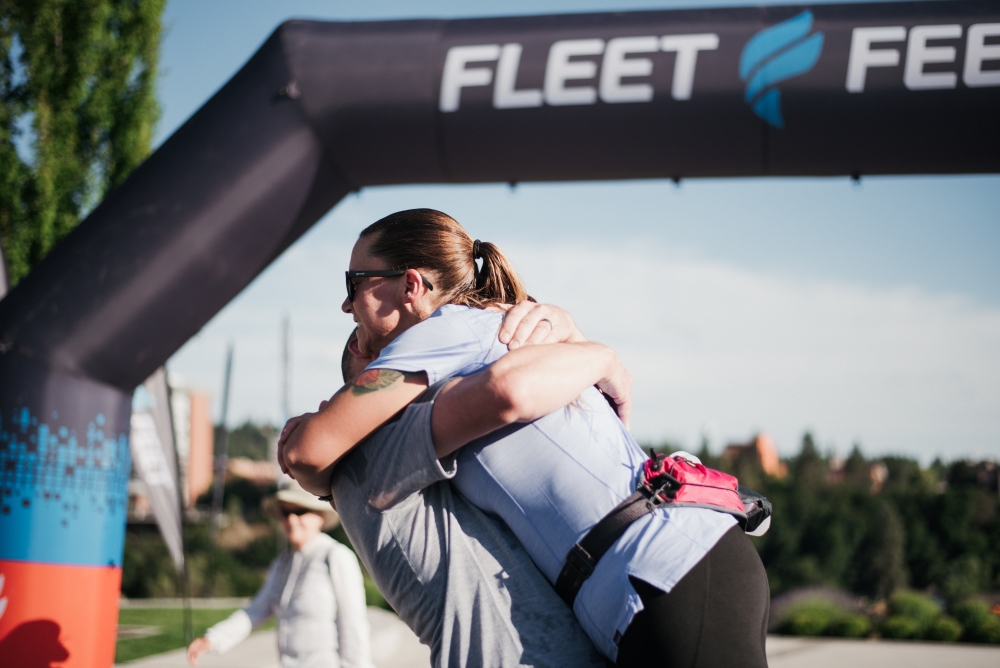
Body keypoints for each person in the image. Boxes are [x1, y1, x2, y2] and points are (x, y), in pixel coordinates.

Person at [281, 209, 769, 667]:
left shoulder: (445, 329)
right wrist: (598, 354)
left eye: (355, 283)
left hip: (665, 571)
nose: (346, 304)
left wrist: (601, 355)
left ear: (411, 285)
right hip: (648, 581)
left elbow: (312, 449)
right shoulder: (488, 340)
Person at [317, 328, 618, 667]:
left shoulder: (402, 455)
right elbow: (505, 391)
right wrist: (598, 354)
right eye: (413, 353)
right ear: (368, 356)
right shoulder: (375, 454)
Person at [186, 482, 373, 668]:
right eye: (285, 513)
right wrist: (211, 640)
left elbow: (353, 625)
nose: (292, 520)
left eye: (300, 511)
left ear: (319, 516)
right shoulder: (282, 563)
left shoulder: (336, 556)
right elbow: (255, 611)